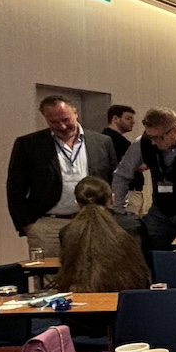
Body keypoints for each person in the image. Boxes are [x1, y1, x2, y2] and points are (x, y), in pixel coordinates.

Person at [7, 95, 118, 257]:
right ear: (45, 118)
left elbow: (113, 181)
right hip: (47, 225)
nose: (62, 126)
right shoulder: (28, 145)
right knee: (49, 279)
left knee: (93, 273)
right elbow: (15, 189)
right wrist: (28, 225)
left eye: (66, 119)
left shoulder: (102, 142)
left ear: (76, 113)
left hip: (91, 220)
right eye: (54, 122)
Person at [112, 107, 176, 250]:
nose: (152, 142)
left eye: (158, 137)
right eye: (149, 136)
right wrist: (119, 210)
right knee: (145, 251)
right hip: (161, 211)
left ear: (175, 130)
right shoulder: (142, 143)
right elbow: (121, 175)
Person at [54, 176, 151, 293]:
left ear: (77, 202)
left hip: (81, 297)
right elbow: (144, 260)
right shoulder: (133, 223)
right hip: (128, 295)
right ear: (112, 199)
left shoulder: (67, 231)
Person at [104, 104, 144, 214]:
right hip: (126, 191)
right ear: (115, 119)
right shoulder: (118, 142)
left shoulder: (104, 138)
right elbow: (131, 166)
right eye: (128, 118)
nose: (133, 122)